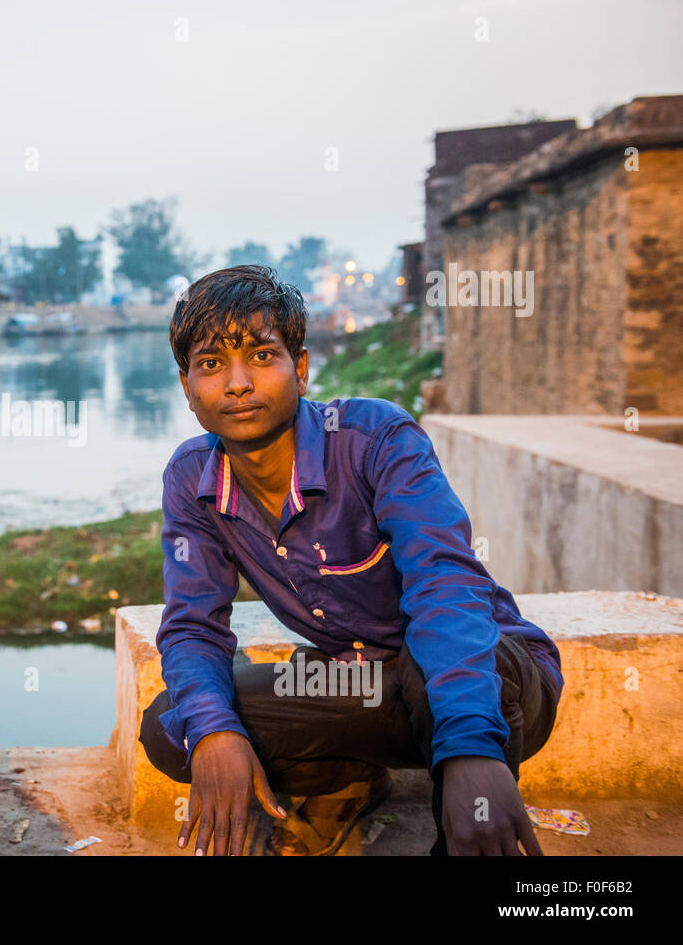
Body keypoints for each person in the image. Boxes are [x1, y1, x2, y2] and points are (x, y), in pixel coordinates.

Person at [138, 264, 562, 856]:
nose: (237, 383)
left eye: (261, 355)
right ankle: (346, 784)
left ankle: (462, 804)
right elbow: (191, 627)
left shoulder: (376, 439)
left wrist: (471, 750)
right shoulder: (193, 478)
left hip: (486, 677)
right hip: (361, 686)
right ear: (188, 388)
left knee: (427, 652)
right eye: (211, 365)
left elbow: (445, 585)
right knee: (170, 726)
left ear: (301, 368)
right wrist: (214, 733)